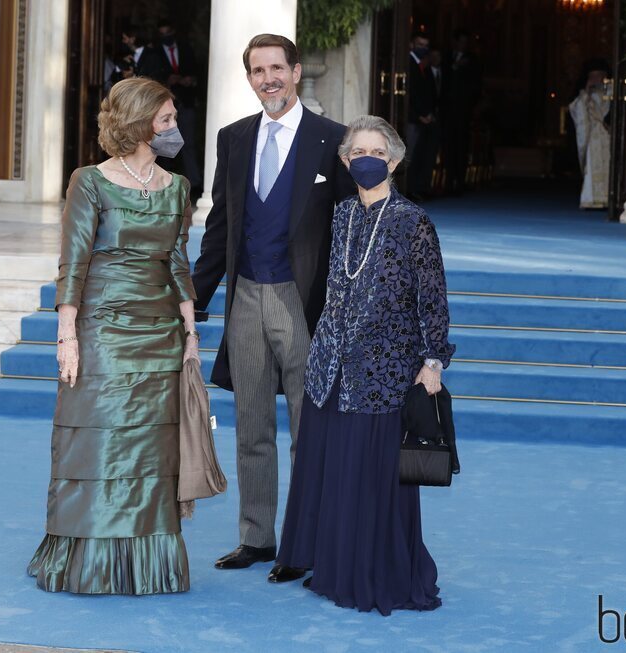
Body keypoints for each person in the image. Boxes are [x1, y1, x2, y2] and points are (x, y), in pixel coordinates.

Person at [190, 33, 354, 582]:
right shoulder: (232, 138)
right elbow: (220, 228)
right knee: (252, 428)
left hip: (303, 303)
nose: (269, 79)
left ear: (297, 71)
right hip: (245, 300)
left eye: (277, 68)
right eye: (258, 71)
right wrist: (194, 297)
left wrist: (346, 310)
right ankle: (257, 538)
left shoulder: (333, 140)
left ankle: (309, 543)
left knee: (311, 431)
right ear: (250, 78)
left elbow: (349, 233)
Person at [276, 115, 455, 616]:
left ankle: (375, 572)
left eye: (375, 152)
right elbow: (334, 288)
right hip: (332, 366)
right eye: (356, 154)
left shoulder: (413, 221)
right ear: (346, 162)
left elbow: (432, 298)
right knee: (335, 471)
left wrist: (433, 361)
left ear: (394, 161)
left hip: (384, 371)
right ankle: (332, 566)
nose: (366, 160)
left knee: (372, 476)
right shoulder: (341, 215)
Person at [28, 77, 199, 595]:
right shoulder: (90, 181)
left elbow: (176, 260)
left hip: (161, 330)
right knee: (101, 445)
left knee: (151, 451)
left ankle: (148, 563)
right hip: (102, 327)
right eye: (167, 120)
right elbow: (73, 262)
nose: (174, 130)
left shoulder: (178, 187)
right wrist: (67, 335)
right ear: (141, 122)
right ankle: (91, 559)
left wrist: (191, 332)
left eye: (173, 120)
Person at [153, 21, 203, 193]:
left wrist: (191, 80)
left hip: (186, 102)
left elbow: (198, 73)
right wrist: (168, 81)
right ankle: (163, 184)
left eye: (168, 32)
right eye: (162, 33)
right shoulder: (155, 53)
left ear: (173, 31)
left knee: (188, 144)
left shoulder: (186, 49)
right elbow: (153, 77)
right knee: (164, 144)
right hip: (164, 105)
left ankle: (194, 185)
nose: (166, 37)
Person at [441, 29, 481, 196]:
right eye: (461, 41)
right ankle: (448, 182)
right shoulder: (446, 57)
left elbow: (476, 84)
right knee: (448, 146)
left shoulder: (472, 60)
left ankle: (461, 182)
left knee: (462, 146)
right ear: (455, 42)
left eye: (466, 42)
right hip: (447, 111)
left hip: (463, 111)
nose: (463, 45)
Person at [568, 59, 611, 209]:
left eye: (599, 76)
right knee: (592, 167)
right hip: (593, 137)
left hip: (606, 135)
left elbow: (609, 108)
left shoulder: (609, 90)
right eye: (593, 76)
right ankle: (591, 199)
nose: (596, 79)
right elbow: (576, 109)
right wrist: (586, 92)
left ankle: (608, 198)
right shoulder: (584, 95)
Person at [406, 33, 437, 200]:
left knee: (421, 155)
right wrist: (419, 115)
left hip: (425, 119)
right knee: (410, 154)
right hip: (413, 118)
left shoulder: (424, 65)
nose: (423, 48)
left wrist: (429, 114)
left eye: (425, 45)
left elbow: (429, 93)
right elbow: (409, 94)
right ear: (412, 44)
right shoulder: (407, 63)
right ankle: (407, 189)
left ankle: (417, 188)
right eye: (420, 44)